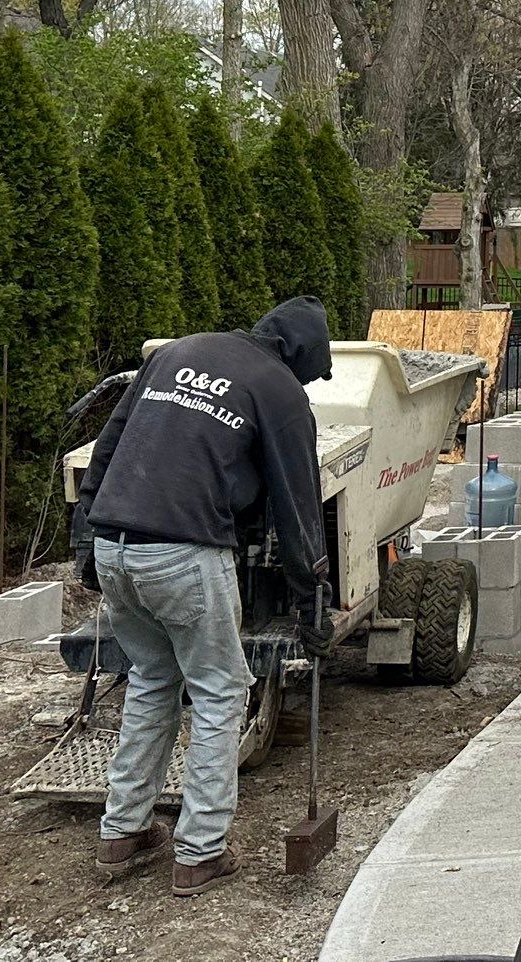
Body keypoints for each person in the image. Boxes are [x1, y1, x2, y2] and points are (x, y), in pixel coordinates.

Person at [76, 296, 336, 898]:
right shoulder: (279, 390)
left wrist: (87, 542)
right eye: (310, 371)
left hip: (118, 544)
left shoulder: (176, 353)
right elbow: (299, 507)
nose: (305, 382)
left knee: (152, 678)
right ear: (300, 354)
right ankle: (200, 852)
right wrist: (311, 598)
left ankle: (122, 831)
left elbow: (108, 448)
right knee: (221, 690)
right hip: (185, 552)